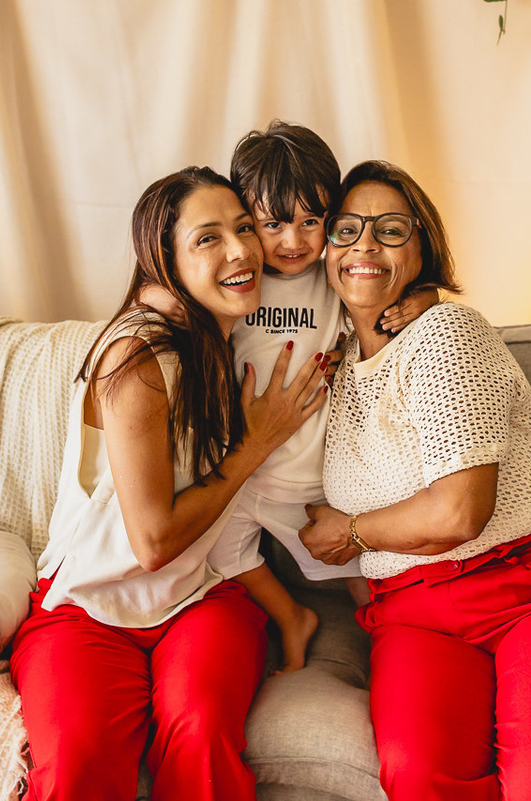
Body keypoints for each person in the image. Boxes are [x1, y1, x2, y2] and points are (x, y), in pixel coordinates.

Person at [298, 160, 531, 800]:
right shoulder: (334, 368)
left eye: (391, 229)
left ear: (424, 247)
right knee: (418, 777)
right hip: (413, 618)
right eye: (346, 230)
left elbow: (458, 514)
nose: (365, 246)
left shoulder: (448, 331)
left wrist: (350, 532)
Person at [9, 166, 329, 801]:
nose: (242, 251)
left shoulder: (223, 330)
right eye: (208, 238)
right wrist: (255, 444)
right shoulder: (137, 356)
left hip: (203, 593)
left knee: (202, 730)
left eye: (243, 229)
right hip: (90, 607)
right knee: (77, 763)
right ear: (163, 259)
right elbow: (152, 542)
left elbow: (338, 270)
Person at [147, 120, 435, 672]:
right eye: (272, 224)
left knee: (349, 569)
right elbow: (170, 290)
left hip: (310, 471)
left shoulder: (332, 273)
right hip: (235, 469)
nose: (293, 242)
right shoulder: (238, 278)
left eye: (311, 222)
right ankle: (290, 617)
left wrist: (425, 298)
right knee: (225, 555)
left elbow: (389, 278)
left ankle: (395, 642)